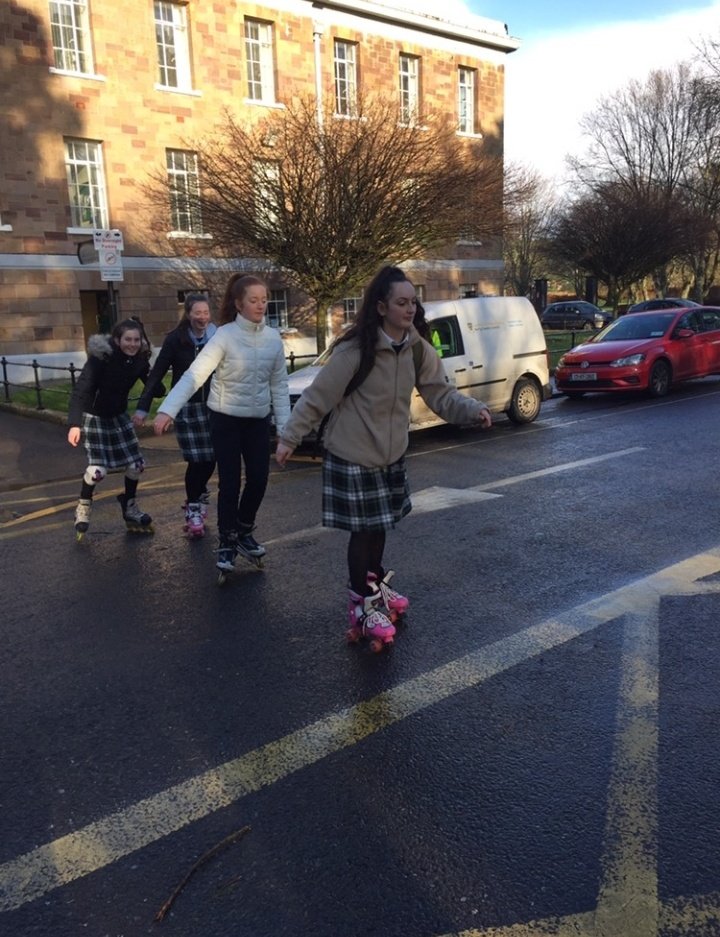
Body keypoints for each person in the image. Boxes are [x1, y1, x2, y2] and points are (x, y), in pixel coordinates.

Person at [275, 265, 492, 650]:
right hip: (353, 452)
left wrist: (472, 410)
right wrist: (289, 438)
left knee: (380, 527)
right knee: (364, 531)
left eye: (413, 302)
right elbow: (317, 396)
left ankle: (373, 589)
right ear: (381, 307)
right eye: (401, 302)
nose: (410, 309)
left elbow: (440, 394)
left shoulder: (416, 348)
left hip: (390, 454)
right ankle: (360, 605)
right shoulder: (355, 351)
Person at [154, 274, 291, 570]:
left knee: (258, 479)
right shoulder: (224, 336)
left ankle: (244, 531)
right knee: (230, 482)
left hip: (257, 420)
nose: (260, 305)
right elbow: (195, 374)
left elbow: (279, 386)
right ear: (239, 304)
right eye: (253, 300)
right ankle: (227, 541)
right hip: (225, 419)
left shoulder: (272, 338)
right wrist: (168, 410)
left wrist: (286, 433)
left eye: (264, 300)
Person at [67, 317, 163, 538]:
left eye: (136, 340)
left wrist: (153, 379)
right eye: (128, 339)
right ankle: (83, 507)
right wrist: (74, 424)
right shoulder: (101, 359)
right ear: (117, 340)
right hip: (96, 416)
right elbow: (80, 391)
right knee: (97, 471)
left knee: (136, 465)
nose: (132, 344)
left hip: (119, 417)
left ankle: (129, 507)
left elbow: (154, 388)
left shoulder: (138, 359)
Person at [133, 293, 217, 538]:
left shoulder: (218, 337)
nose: (202, 318)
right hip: (188, 408)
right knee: (196, 460)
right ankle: (193, 507)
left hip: (214, 406)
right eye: (197, 313)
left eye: (206, 313)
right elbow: (157, 373)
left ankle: (199, 495)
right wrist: (142, 407)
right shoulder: (175, 340)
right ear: (188, 314)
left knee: (211, 458)